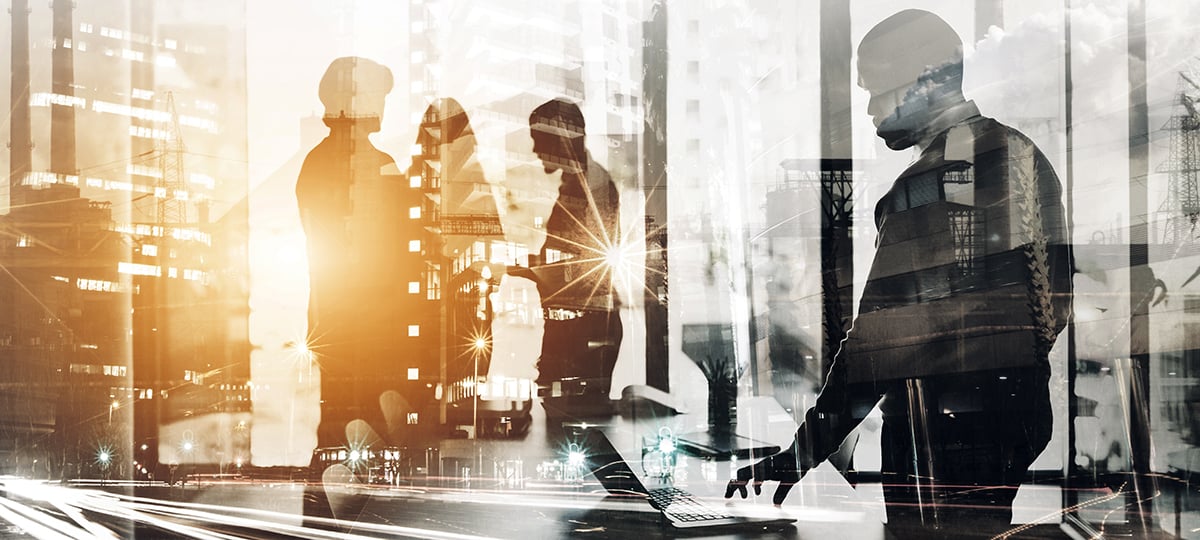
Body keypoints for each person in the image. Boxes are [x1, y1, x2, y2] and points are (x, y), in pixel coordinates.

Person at [726, 10, 1073, 536]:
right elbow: (1057, 300)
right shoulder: (1025, 154)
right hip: (1015, 418)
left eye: (880, 89)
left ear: (929, 78)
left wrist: (802, 452)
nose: (869, 109)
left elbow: (876, 346)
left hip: (936, 439)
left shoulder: (927, 183)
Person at [295, 57, 401, 448]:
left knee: (345, 420)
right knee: (353, 418)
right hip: (360, 319)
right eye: (379, 96)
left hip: (348, 317)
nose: (385, 106)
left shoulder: (319, 165)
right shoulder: (373, 167)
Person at [528, 98, 623, 415]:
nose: (534, 149)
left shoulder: (592, 187)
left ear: (563, 138)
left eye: (538, 138)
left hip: (582, 335)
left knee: (572, 434)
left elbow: (594, 264)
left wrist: (538, 274)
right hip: (575, 331)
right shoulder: (579, 185)